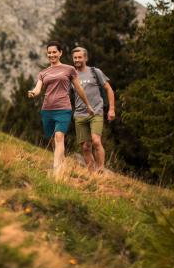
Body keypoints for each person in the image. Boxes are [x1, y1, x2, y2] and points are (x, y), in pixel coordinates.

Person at [27, 41, 94, 174]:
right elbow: (38, 88)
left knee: (59, 137)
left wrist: (87, 105)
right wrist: (33, 92)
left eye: (54, 52)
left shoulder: (69, 69)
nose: (51, 55)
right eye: (49, 53)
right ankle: (62, 164)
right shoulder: (43, 73)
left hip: (63, 108)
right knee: (53, 139)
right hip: (47, 110)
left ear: (60, 53)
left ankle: (57, 171)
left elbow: (79, 88)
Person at [70, 47, 116, 173]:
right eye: (75, 57)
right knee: (85, 147)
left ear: (85, 58)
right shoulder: (71, 75)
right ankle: (93, 175)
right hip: (80, 114)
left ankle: (100, 170)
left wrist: (111, 109)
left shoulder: (95, 72)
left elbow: (109, 89)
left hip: (96, 112)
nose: (77, 60)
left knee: (96, 141)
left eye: (80, 57)